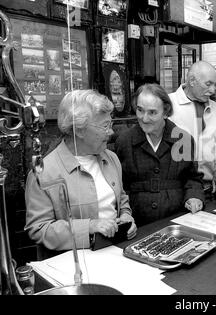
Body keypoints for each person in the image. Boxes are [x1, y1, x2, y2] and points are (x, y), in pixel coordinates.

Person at [25, 90, 137, 254]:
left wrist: (127, 217)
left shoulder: (111, 158)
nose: (111, 132)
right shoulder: (44, 172)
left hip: (117, 251)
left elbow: (121, 199)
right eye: (105, 126)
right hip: (72, 264)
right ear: (79, 130)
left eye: (110, 124)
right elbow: (39, 229)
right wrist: (90, 226)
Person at [115, 84, 205, 226]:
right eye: (140, 110)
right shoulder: (124, 142)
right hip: (137, 223)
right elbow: (119, 186)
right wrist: (124, 214)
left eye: (152, 112)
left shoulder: (183, 140)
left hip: (176, 220)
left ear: (166, 112)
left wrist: (194, 197)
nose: (144, 118)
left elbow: (192, 178)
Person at [168, 61, 216, 200]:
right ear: (192, 81)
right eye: (208, 84)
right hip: (179, 192)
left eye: (215, 84)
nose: (213, 90)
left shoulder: (215, 108)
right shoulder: (169, 104)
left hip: (210, 190)